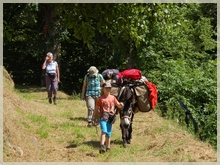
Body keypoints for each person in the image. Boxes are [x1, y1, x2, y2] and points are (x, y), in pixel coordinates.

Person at [91, 82, 123, 153]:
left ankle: (108, 147)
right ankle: (102, 145)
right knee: (104, 131)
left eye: (109, 88)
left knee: (108, 133)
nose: (108, 89)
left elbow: (118, 105)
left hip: (111, 117)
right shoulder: (100, 99)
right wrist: (93, 118)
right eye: (106, 88)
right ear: (103, 89)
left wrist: (121, 104)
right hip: (103, 116)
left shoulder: (113, 97)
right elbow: (96, 109)